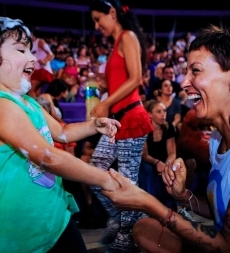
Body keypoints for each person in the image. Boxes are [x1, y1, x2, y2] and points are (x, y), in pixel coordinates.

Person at [103, 25, 230, 253]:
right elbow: (223, 210)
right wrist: (183, 195)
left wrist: (148, 203)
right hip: (224, 242)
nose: (185, 82)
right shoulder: (218, 139)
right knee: (145, 229)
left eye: (195, 71)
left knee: (151, 224)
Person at [0, 15, 121, 252]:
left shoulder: (25, 101)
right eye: (21, 50)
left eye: (30, 50)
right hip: (19, 231)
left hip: (53, 218)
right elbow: (48, 156)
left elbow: (62, 132)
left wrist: (93, 125)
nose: (33, 58)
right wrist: (106, 180)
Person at [89, 1, 153, 252]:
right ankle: (123, 220)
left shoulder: (128, 36)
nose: (96, 26)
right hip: (119, 119)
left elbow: (136, 78)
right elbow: (123, 81)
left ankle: (127, 236)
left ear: (112, 13)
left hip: (131, 118)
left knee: (127, 181)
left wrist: (106, 103)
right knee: (95, 170)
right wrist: (106, 87)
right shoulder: (117, 42)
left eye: (98, 19)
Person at [139, 100, 177, 210]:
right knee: (148, 170)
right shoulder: (144, 128)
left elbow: (172, 153)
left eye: (164, 111)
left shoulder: (168, 127)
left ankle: (171, 207)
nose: (163, 115)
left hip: (164, 160)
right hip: (149, 161)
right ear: (150, 114)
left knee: (172, 168)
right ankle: (152, 207)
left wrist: (167, 165)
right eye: (158, 112)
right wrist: (157, 163)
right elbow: (144, 155)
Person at [28, 27, 54, 97]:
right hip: (35, 71)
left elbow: (51, 54)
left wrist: (44, 61)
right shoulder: (29, 45)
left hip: (43, 71)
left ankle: (33, 107)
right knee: (37, 93)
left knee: (31, 90)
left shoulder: (40, 41)